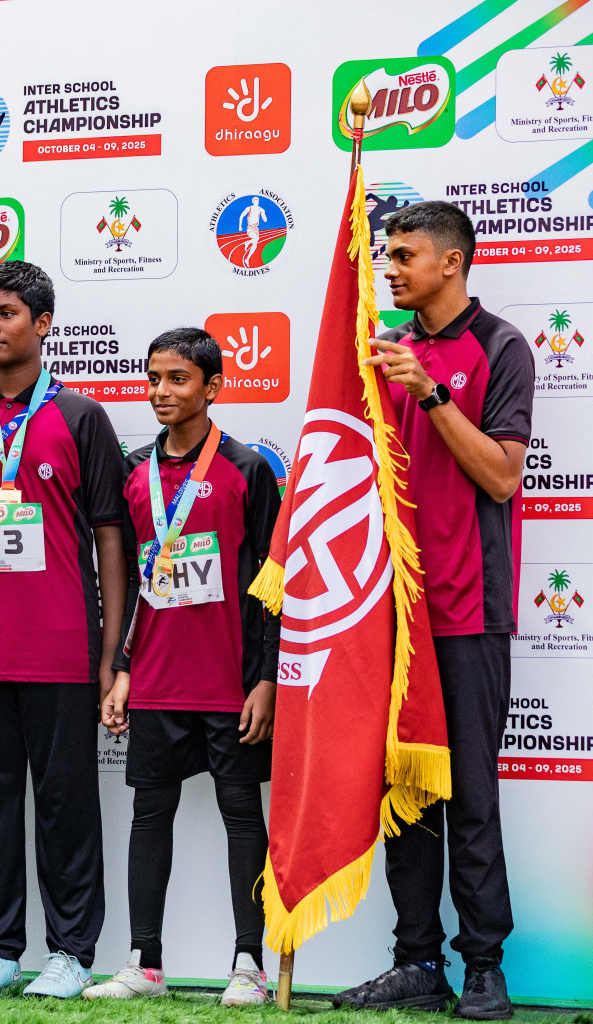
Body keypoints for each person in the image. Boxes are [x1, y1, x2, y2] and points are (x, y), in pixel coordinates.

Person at [336, 201, 531, 1020]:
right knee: (402, 795)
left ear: (451, 262)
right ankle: (416, 959)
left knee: (473, 795)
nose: (391, 266)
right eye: (385, 254)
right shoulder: (390, 351)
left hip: (469, 608)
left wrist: (435, 394)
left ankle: (484, 964)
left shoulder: (500, 347)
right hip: (393, 613)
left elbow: (502, 477)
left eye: (406, 254)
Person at [0, 260, 127, 999]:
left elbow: (111, 534)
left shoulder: (80, 418)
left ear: (42, 325)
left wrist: (109, 652)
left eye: (6, 313)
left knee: (67, 808)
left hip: (60, 650)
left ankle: (72, 952)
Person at [87, 328, 280, 1006]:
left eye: (177, 380)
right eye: (152, 380)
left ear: (212, 387)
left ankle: (247, 962)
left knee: (239, 813)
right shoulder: (134, 471)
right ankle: (146, 963)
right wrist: (122, 671)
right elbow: (135, 581)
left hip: (230, 679)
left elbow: (267, 580)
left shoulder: (248, 468)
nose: (161, 393)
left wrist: (264, 677)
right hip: (158, 680)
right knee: (150, 813)